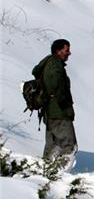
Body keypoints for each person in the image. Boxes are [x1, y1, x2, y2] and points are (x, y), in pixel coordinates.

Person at [32, 39, 77, 169]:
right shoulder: (55, 65)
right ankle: (61, 173)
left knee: (54, 144)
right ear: (58, 51)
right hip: (58, 111)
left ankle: (46, 170)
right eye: (66, 50)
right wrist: (63, 101)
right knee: (69, 145)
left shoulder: (50, 62)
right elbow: (54, 85)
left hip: (51, 111)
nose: (69, 53)